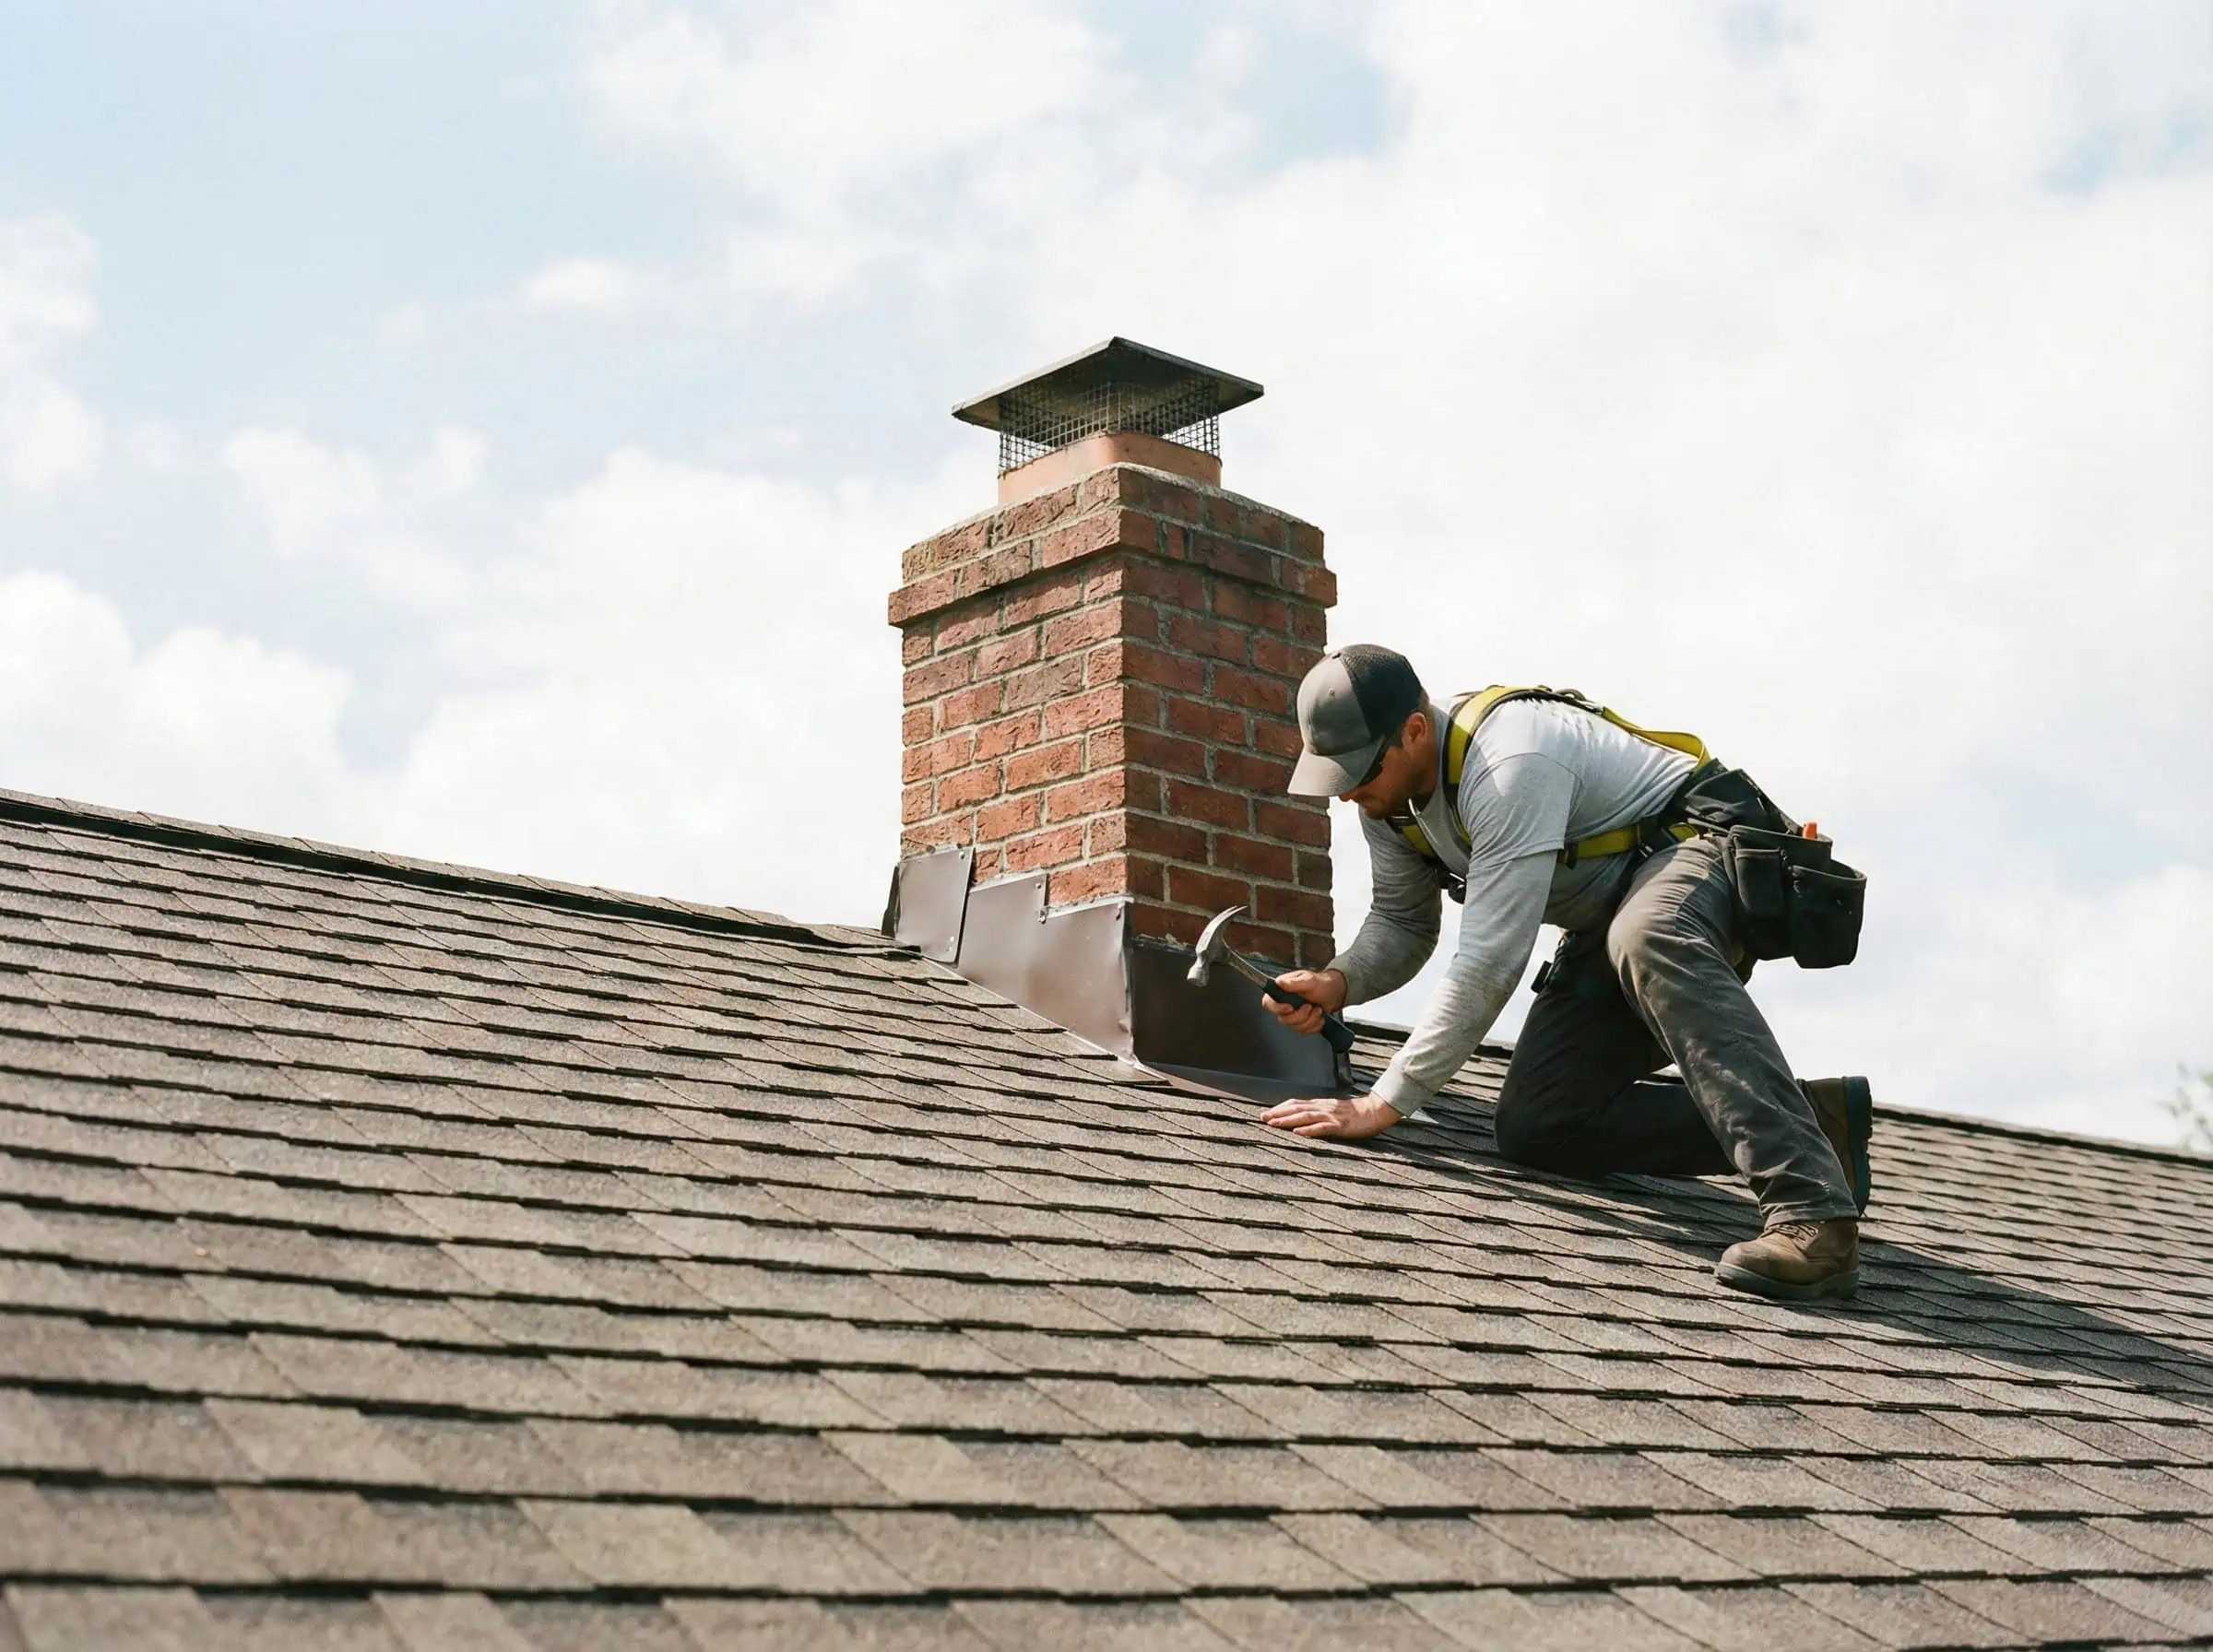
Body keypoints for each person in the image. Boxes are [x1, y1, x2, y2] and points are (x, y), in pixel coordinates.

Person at [1259, 643, 1872, 1302]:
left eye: (1360, 772)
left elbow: (1489, 961)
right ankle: (1817, 1126)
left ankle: (1815, 1216)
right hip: (1609, 921)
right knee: (1541, 1124)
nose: (1348, 792)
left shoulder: (1511, 763)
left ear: (1413, 731)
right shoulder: (1391, 806)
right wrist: (1339, 982)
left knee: (1648, 933)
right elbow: (1403, 925)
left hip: (1697, 859)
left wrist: (1382, 1103)